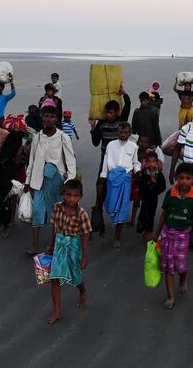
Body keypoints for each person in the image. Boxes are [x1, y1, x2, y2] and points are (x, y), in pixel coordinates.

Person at [24, 106, 77, 255]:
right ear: (42, 118)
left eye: (52, 117)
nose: (48, 119)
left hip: (57, 181)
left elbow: (71, 161)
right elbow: (32, 161)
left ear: (57, 119)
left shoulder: (62, 137)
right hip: (38, 180)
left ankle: (52, 245)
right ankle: (34, 245)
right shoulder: (38, 137)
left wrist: (68, 184)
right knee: (37, 211)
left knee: (56, 214)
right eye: (46, 116)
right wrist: (28, 181)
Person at [153, 162, 193, 309]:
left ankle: (182, 279)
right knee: (168, 266)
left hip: (183, 235)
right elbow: (163, 214)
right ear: (176, 178)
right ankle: (170, 297)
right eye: (181, 178)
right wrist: (156, 233)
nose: (184, 181)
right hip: (167, 233)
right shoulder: (170, 194)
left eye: (187, 178)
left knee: (180, 267)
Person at [44, 179, 91, 324]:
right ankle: (57, 311)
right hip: (59, 244)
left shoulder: (81, 214)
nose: (72, 199)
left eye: (75, 196)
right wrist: (50, 245)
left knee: (75, 275)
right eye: (69, 195)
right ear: (63, 194)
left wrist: (84, 255)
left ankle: (82, 290)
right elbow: (54, 228)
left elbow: (85, 234)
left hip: (74, 246)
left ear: (80, 197)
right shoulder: (57, 207)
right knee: (54, 278)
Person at [100, 122, 141, 248]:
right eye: (121, 132)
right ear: (117, 132)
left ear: (130, 133)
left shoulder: (133, 146)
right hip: (112, 179)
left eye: (126, 132)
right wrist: (103, 177)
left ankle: (117, 236)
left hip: (125, 179)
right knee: (111, 205)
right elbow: (106, 161)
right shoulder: (111, 145)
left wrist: (138, 170)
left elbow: (135, 162)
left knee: (123, 207)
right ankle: (114, 219)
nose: (123, 135)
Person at [89, 87, 131, 179]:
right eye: (107, 112)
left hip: (119, 160)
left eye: (111, 112)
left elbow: (127, 105)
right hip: (105, 160)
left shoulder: (121, 121)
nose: (108, 115)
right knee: (102, 184)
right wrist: (93, 128)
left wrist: (124, 93)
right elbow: (95, 143)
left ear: (116, 112)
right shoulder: (101, 124)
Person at [136, 150, 167, 238]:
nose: (151, 164)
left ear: (157, 162)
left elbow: (163, 187)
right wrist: (146, 182)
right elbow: (139, 183)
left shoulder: (159, 174)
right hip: (145, 198)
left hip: (153, 198)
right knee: (143, 213)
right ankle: (144, 230)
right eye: (149, 161)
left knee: (151, 214)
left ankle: (149, 231)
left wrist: (155, 184)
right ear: (146, 162)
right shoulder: (144, 172)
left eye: (153, 161)